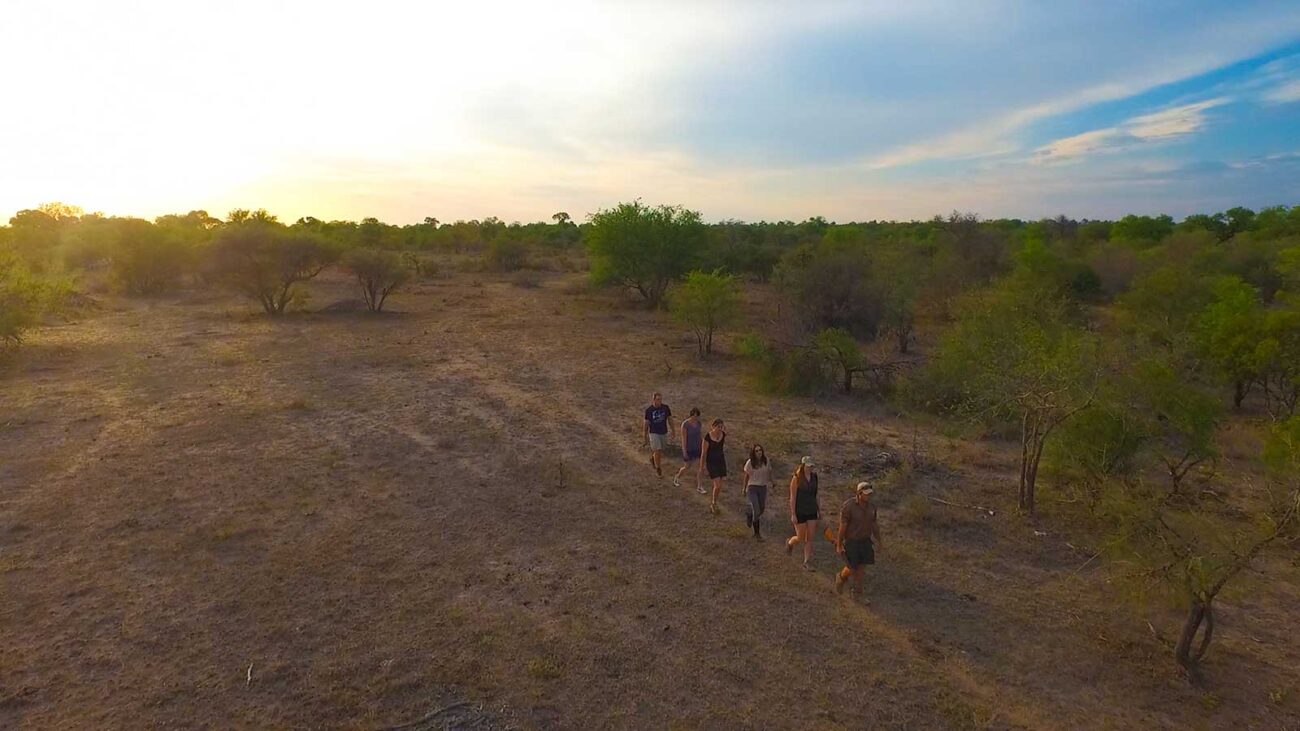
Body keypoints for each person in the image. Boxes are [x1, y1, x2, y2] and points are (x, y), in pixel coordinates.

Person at [835, 482, 882, 602]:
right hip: (852, 541)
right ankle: (840, 577)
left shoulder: (872, 507)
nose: (868, 496)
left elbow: (874, 525)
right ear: (859, 493)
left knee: (861, 569)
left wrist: (879, 541)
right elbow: (843, 527)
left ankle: (857, 594)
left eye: (870, 494)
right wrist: (839, 544)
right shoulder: (849, 506)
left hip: (865, 541)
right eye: (866, 494)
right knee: (851, 568)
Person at [785, 456, 820, 570]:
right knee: (800, 537)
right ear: (803, 466)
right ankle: (790, 543)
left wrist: (819, 510)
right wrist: (793, 514)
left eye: (811, 466)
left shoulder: (815, 477)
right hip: (800, 510)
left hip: (812, 510)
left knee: (810, 538)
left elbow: (816, 495)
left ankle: (807, 561)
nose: (810, 468)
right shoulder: (797, 478)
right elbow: (793, 497)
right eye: (808, 466)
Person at [742, 444, 772, 540]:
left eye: (760, 450)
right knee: (756, 509)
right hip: (752, 488)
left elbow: (769, 472)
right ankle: (757, 533)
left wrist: (772, 481)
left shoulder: (766, 461)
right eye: (756, 451)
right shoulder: (750, 463)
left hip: (762, 487)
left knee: (761, 508)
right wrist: (744, 488)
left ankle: (750, 515)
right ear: (753, 453)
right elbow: (746, 476)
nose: (759, 452)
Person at [698, 418, 727, 514]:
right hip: (711, 462)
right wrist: (702, 466)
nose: (720, 429)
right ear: (713, 426)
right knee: (717, 484)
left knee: (720, 485)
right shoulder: (708, 437)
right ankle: (713, 503)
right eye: (718, 426)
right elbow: (704, 453)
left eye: (721, 427)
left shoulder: (723, 435)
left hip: (721, 461)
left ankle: (715, 500)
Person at [674, 408, 704, 492]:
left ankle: (699, 486)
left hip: (698, 447)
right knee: (687, 466)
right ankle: (677, 477)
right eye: (693, 415)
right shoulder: (685, 424)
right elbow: (684, 438)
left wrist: (703, 446)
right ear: (691, 415)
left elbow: (700, 435)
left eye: (696, 415)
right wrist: (684, 451)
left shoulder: (699, 423)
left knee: (700, 467)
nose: (695, 417)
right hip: (689, 448)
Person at [642, 393, 672, 478]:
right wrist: (645, 436)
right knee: (658, 450)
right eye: (658, 399)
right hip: (654, 433)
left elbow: (670, 419)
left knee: (660, 450)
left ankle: (652, 459)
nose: (659, 401)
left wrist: (673, 430)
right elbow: (646, 424)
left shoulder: (665, 408)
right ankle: (658, 469)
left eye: (660, 399)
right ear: (654, 400)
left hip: (663, 432)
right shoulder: (649, 410)